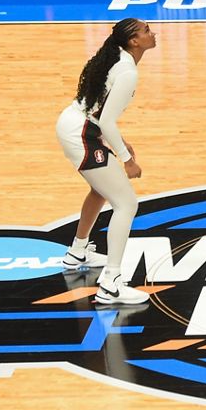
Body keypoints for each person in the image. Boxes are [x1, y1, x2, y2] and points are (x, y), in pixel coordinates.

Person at [54, 18, 158, 306]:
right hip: (83, 133)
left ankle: (77, 252)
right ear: (134, 41)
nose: (153, 33)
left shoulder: (118, 58)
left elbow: (100, 113)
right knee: (126, 203)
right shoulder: (126, 71)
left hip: (78, 124)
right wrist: (126, 160)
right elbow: (106, 120)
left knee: (102, 189)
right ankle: (111, 283)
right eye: (146, 31)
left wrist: (119, 143)